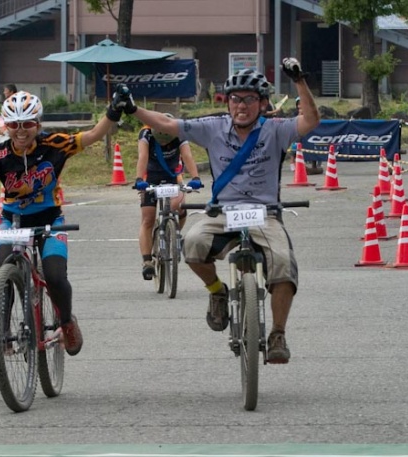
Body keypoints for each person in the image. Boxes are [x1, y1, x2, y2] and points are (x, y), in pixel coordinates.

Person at [116, 58, 320, 364]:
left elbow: (310, 121)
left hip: (264, 213)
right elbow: (168, 125)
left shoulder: (276, 130)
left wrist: (300, 81)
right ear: (227, 102)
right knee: (192, 243)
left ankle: (278, 333)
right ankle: (217, 292)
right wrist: (133, 109)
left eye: (250, 100)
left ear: (263, 104)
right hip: (223, 212)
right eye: (236, 99)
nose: (242, 106)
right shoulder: (212, 128)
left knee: (283, 264)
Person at [0, 90, 130, 357]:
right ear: (6, 125)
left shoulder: (56, 144)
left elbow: (94, 135)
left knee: (55, 276)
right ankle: (2, 334)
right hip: (12, 221)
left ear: (38, 124)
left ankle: (66, 323)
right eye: (13, 125)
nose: (20, 131)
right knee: (1, 270)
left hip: (51, 220)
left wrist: (113, 110)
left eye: (27, 124)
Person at [134, 114, 202, 280]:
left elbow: (187, 156)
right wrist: (139, 179)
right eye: (161, 142)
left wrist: (195, 178)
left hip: (172, 175)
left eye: (167, 142)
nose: (164, 145)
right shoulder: (146, 134)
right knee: (148, 218)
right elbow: (142, 157)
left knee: (179, 206)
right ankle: (147, 261)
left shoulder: (180, 132)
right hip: (150, 177)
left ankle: (175, 230)